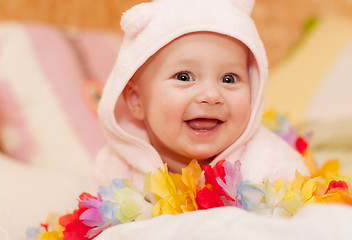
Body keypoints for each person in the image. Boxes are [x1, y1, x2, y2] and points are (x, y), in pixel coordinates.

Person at [91, 0, 308, 191]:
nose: (211, 95)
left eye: (229, 79)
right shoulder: (114, 171)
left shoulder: (275, 166)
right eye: (184, 77)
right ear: (136, 101)